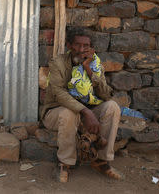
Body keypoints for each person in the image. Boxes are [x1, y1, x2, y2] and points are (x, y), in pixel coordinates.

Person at [40, 27, 122, 183]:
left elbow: (105, 94)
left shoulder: (95, 64)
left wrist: (88, 70)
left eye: (86, 46)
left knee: (112, 107)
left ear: (91, 48)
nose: (81, 49)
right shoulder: (58, 63)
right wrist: (87, 112)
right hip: (55, 113)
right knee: (68, 113)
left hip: (85, 114)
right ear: (69, 45)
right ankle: (64, 164)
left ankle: (101, 161)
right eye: (77, 45)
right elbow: (59, 94)